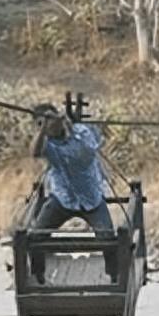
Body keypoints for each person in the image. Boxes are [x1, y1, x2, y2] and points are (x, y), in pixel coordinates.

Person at [30, 103, 117, 284]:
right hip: (62, 199)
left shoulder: (81, 132)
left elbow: (87, 152)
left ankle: (114, 277)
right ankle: (38, 278)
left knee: (108, 239)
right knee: (36, 237)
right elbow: (35, 152)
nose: (48, 128)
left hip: (91, 199)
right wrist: (42, 129)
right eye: (42, 124)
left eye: (50, 122)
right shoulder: (47, 143)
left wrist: (69, 127)